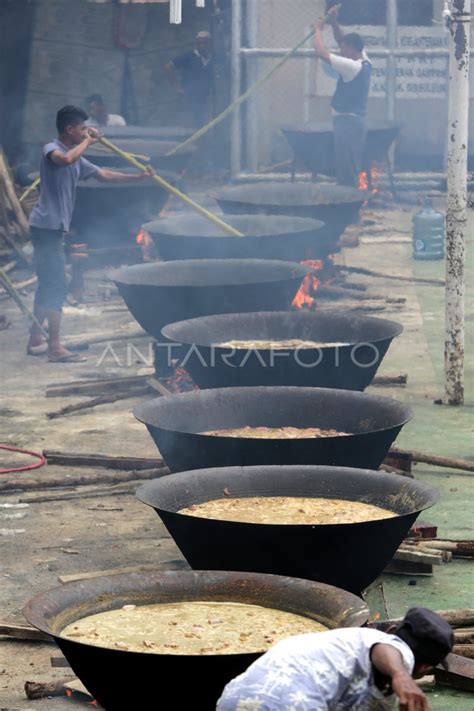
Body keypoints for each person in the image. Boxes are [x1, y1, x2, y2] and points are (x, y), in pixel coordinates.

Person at [27, 105, 152, 363]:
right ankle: (55, 346)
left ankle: (35, 338)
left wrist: (137, 177)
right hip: (45, 228)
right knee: (57, 285)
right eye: (82, 128)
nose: (87, 132)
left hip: (53, 228)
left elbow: (103, 174)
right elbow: (67, 160)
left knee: (47, 281)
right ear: (69, 129)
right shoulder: (52, 150)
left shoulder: (77, 156)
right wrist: (88, 141)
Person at [217, 607, 454, 710]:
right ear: (424, 667)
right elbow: (386, 650)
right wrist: (402, 675)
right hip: (292, 704)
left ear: (392, 628)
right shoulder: (393, 653)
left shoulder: (343, 640)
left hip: (234, 698)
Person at [313, 7, 372, 188]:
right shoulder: (363, 59)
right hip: (352, 124)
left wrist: (317, 30)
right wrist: (333, 23)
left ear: (352, 49)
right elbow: (342, 40)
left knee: (346, 172)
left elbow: (320, 52)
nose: (340, 50)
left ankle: (349, 210)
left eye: (343, 48)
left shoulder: (351, 66)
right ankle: (349, 207)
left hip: (347, 124)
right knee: (348, 168)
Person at [165, 30, 215, 128]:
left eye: (205, 43)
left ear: (209, 44)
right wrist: (177, 87)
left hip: (205, 99)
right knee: (189, 125)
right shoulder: (189, 56)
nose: (202, 45)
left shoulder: (212, 59)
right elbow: (168, 67)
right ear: (196, 44)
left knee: (203, 125)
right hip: (189, 98)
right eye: (199, 43)